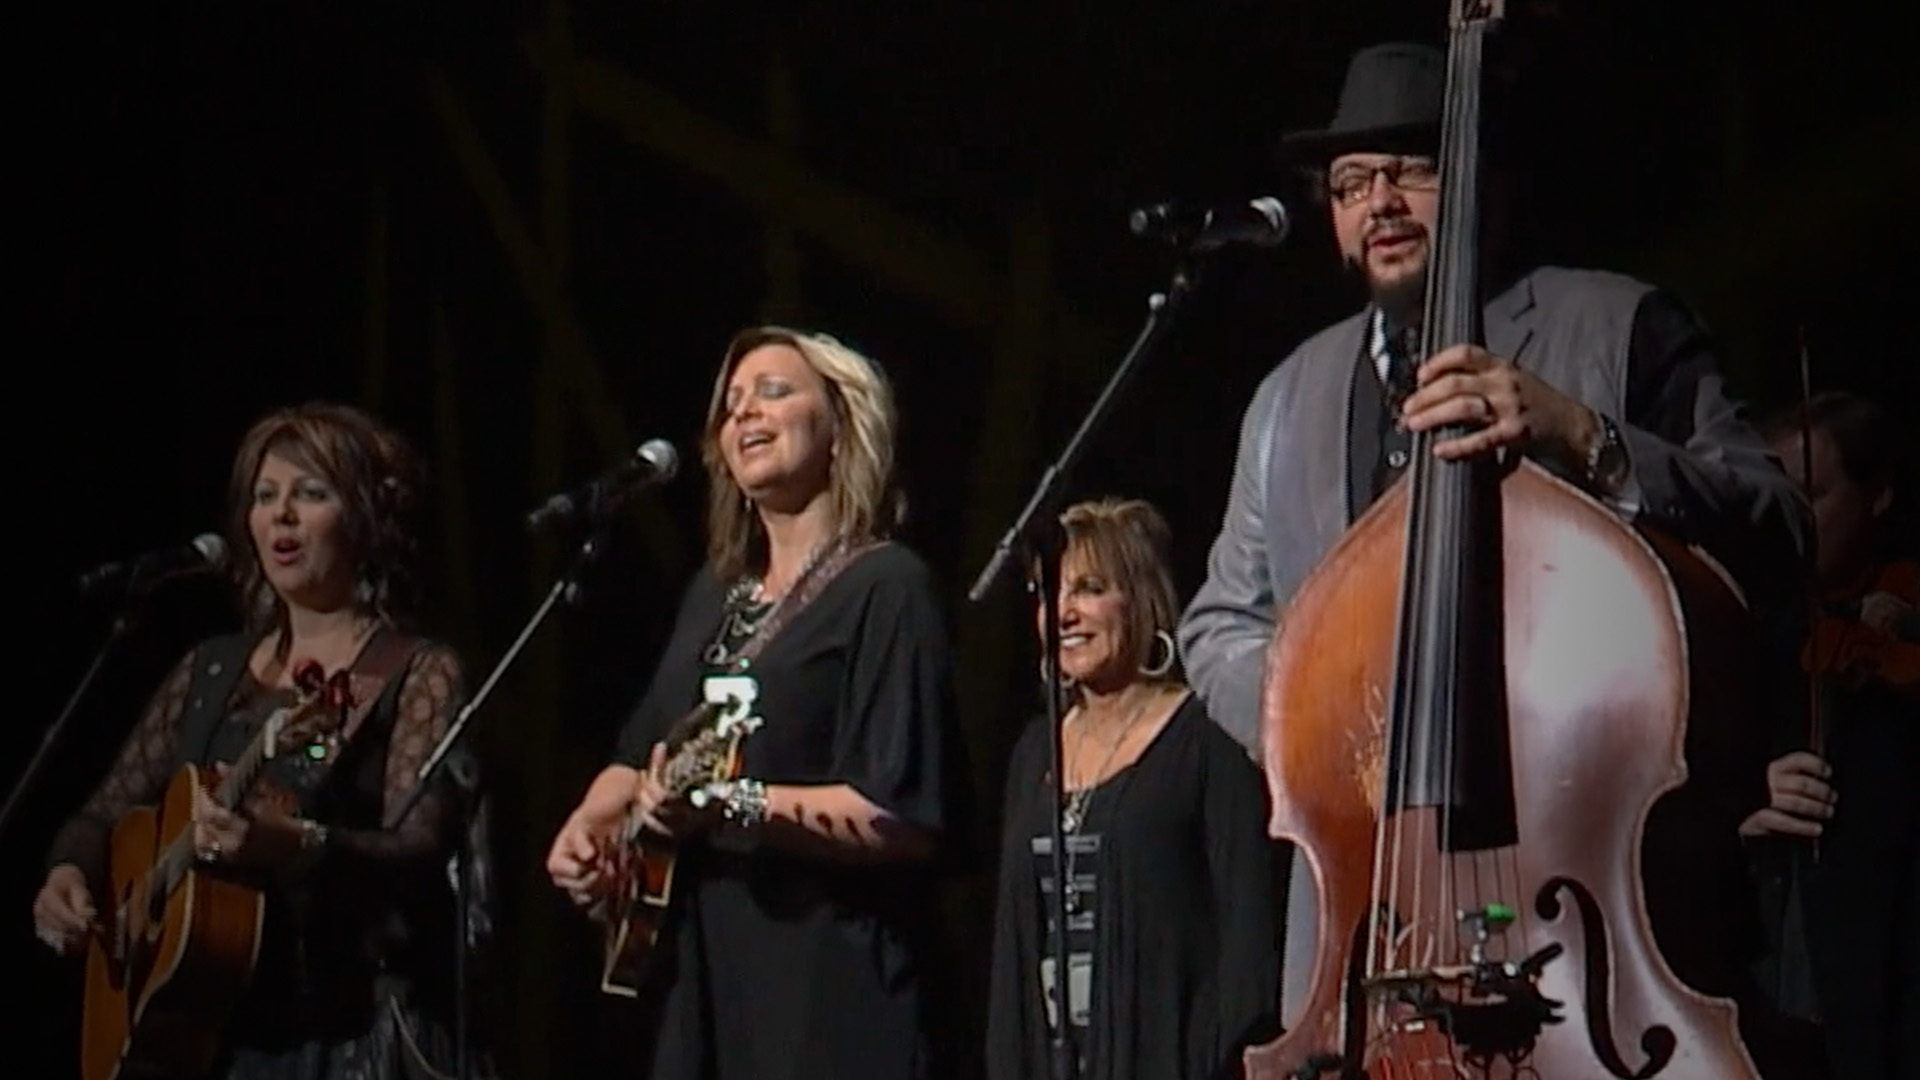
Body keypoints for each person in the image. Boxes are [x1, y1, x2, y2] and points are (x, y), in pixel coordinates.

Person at [1176, 41, 1810, 1033]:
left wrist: (1583, 437)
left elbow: (1777, 522)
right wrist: (1321, 717)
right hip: (1364, 935)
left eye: (1412, 169)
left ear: (1483, 180)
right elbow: (1218, 622)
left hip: (1589, 914)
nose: (1380, 200)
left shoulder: (1616, 322)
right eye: (1351, 181)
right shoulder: (1288, 396)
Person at [544, 326, 966, 1080]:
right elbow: (640, 751)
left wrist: (731, 806)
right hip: (699, 993)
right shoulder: (714, 595)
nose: (744, 414)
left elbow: (903, 815)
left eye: (773, 392)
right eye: (731, 404)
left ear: (840, 427)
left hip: (831, 1004)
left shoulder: (887, 588)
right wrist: (590, 823)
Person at [31, 402, 481, 1079]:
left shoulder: (415, 671)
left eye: (311, 493)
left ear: (363, 518)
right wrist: (68, 874)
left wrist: (301, 846)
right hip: (197, 1039)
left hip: (332, 1039)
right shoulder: (211, 667)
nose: (282, 515)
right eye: (265, 496)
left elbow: (421, 853)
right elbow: (102, 813)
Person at [986, 497, 1278, 1080]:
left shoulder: (1206, 738)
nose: (1063, 613)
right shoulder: (1034, 752)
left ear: (1142, 601)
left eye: (1089, 589)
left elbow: (1249, 938)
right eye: (1048, 594)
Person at [1741, 392, 1917, 1080]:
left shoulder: (1898, 610)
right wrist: (1741, 801)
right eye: (1773, 493)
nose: (1788, 516)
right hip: (1770, 961)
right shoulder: (1745, 626)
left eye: (1811, 493)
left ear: (1877, 498)